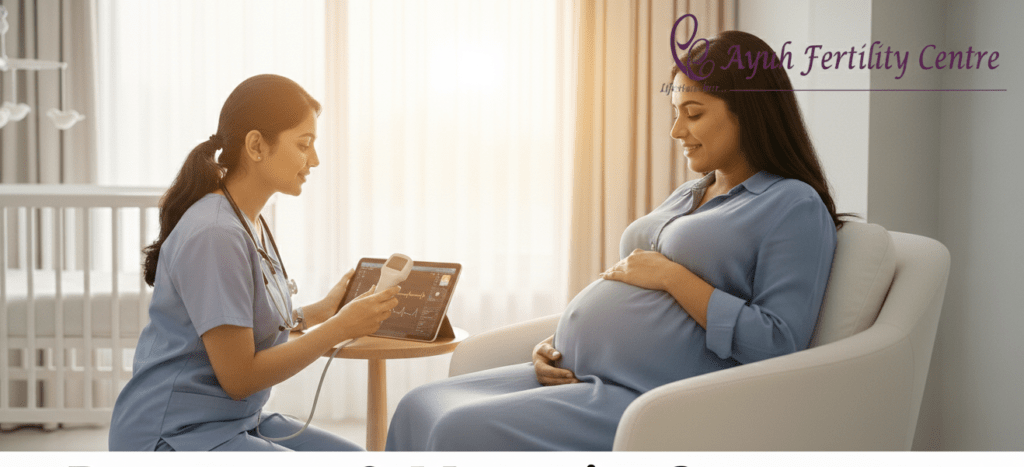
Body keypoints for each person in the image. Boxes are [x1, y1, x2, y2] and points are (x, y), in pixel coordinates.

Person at [385, 30, 845, 451]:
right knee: (417, 405)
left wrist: (671, 276)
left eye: (694, 113)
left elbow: (779, 343)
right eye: (674, 113)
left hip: (654, 397)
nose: (676, 131)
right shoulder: (694, 190)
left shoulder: (792, 205)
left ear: (750, 113)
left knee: (456, 430)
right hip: (578, 374)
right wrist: (557, 342)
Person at [108, 74, 400, 451]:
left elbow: (251, 325)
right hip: (173, 433)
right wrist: (340, 327)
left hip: (233, 419)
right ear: (257, 145)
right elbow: (240, 376)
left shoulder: (249, 221)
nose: (314, 159)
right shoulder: (215, 233)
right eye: (304, 144)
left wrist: (324, 311)